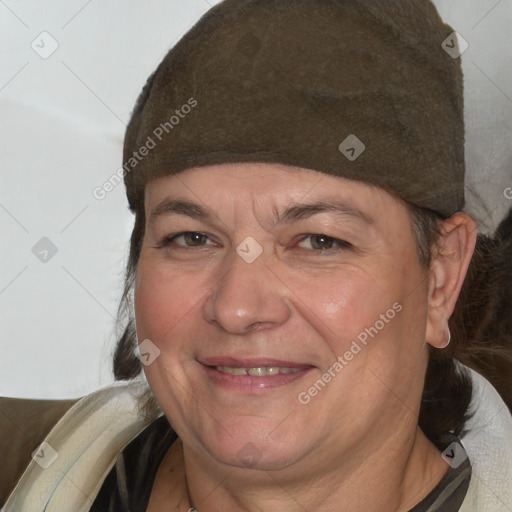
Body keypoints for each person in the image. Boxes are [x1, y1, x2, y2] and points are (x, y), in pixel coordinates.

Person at [2, 0, 512, 511]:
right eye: (192, 238)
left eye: (320, 241)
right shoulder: (39, 463)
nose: (237, 308)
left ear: (441, 278)